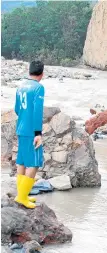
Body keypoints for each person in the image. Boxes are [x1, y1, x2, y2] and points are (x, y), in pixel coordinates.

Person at [14, 60, 45, 209]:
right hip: (31, 131)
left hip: (20, 128)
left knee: (21, 161)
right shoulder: (39, 88)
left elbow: (16, 109)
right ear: (42, 74)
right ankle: (21, 197)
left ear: (29, 71)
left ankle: (22, 195)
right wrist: (38, 133)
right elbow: (37, 111)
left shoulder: (20, 86)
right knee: (33, 163)